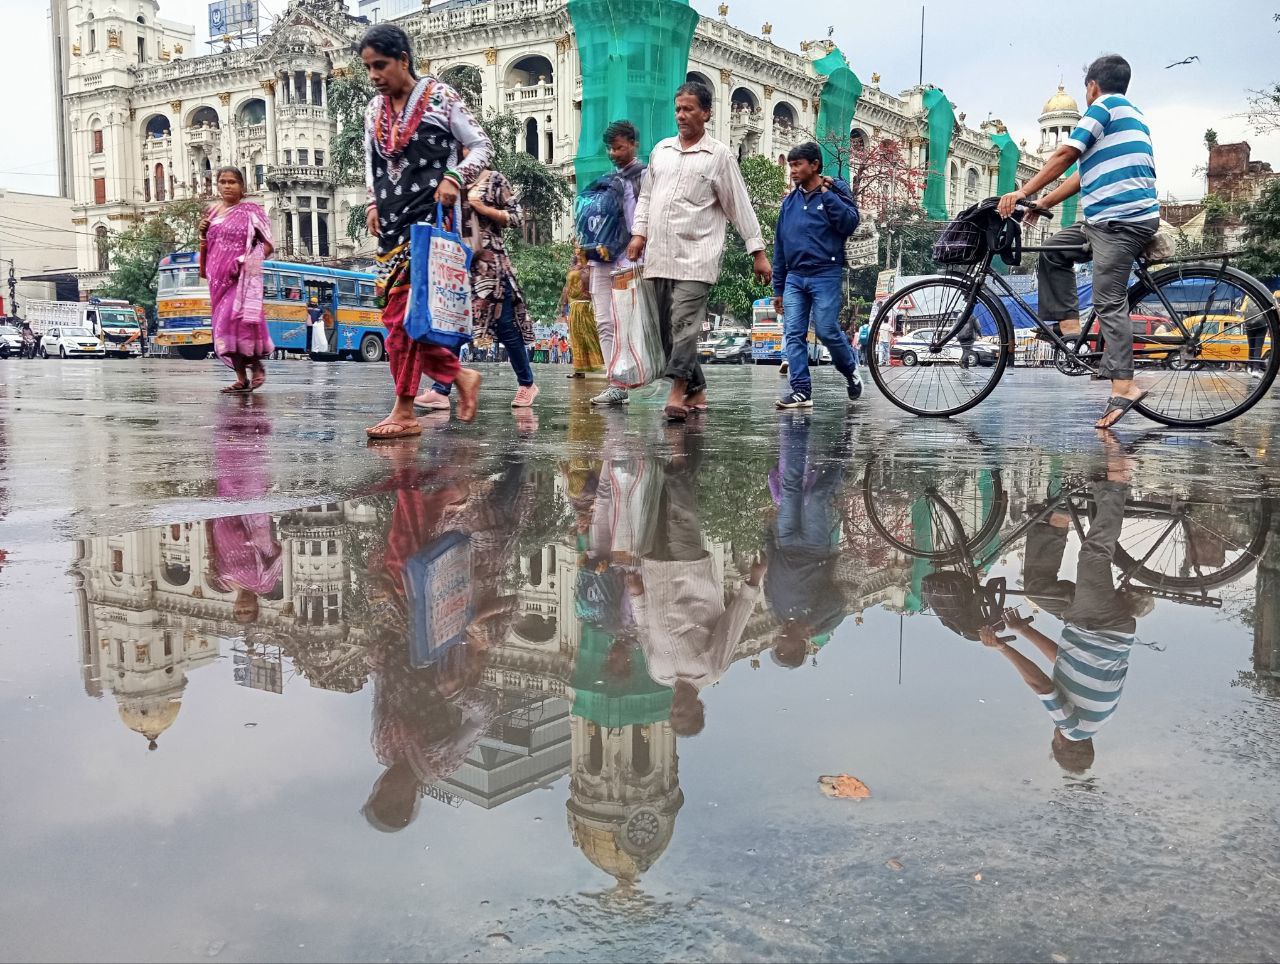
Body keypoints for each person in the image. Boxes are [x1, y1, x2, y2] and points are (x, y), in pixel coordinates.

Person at [998, 55, 1159, 429]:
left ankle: (1124, 386)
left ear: (1091, 86)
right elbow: (1080, 176)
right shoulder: (1128, 113)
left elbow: (1065, 154)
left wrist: (1022, 190)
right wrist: (1041, 204)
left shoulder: (1102, 108)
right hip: (1104, 221)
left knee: (1108, 299)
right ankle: (1071, 329)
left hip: (1121, 223)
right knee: (1055, 249)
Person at [979, 433, 1148, 773]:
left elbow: (1062, 661)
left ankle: (1056, 520)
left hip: (1091, 625)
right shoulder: (1072, 729)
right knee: (1093, 556)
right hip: (1097, 624)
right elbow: (1041, 684)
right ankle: (1116, 484)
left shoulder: (1098, 721)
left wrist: (1023, 630)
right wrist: (1001, 648)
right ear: (1058, 745)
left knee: (1038, 590)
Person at [360, 24, 490, 439]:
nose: (375, 75)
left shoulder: (441, 97)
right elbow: (372, 163)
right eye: (368, 68)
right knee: (398, 320)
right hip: (391, 228)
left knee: (403, 320)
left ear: (403, 60)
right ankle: (459, 377)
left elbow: (483, 146)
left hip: (430, 223)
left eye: (381, 65)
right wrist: (371, 202)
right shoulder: (372, 111)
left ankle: (404, 409)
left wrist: (454, 176)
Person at [627, 82, 771, 422]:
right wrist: (638, 234)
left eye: (689, 109)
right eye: (678, 108)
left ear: (706, 113)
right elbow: (646, 197)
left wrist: (758, 251)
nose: (681, 115)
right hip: (659, 256)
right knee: (664, 329)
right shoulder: (661, 150)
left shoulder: (719, 155)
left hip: (697, 257)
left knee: (684, 323)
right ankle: (697, 389)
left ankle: (676, 392)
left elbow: (739, 204)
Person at [630, 425, 764, 735]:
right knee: (682, 513)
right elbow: (732, 626)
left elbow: (644, 630)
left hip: (655, 572)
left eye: (673, 715)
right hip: (689, 573)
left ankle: (684, 450)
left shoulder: (657, 673)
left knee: (657, 506)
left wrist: (637, 596)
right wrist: (753, 582)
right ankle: (679, 453)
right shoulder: (711, 669)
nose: (676, 708)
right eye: (684, 714)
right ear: (699, 709)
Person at [415, 166, 539, 412]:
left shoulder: (494, 179)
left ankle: (527, 383)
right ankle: (441, 390)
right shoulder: (451, 180)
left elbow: (516, 216)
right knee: (455, 323)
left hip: (491, 265)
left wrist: (482, 208)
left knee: (505, 327)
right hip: (460, 264)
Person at [771, 141, 863, 409]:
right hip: (794, 278)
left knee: (826, 329)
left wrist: (827, 194)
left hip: (826, 273)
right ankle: (801, 391)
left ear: (815, 165)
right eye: (790, 165)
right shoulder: (789, 203)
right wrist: (778, 288)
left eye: (797, 165)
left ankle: (850, 371)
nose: (793, 171)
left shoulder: (834, 191)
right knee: (793, 333)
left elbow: (849, 223)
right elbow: (780, 246)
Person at [763, 414, 852, 667]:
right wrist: (811, 622)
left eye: (776, 645)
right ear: (798, 647)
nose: (779, 641)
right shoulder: (823, 624)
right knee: (814, 497)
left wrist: (768, 537)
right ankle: (842, 454)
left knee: (790, 487)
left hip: (786, 542)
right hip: (815, 549)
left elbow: (774, 577)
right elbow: (838, 600)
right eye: (784, 647)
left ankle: (796, 431)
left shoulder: (778, 614)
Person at [198, 165, 274, 392]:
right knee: (223, 331)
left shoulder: (251, 210)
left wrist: (244, 261)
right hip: (217, 278)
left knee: (233, 323)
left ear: (242, 186)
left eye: (232, 182)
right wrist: (202, 233)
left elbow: (268, 245)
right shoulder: (211, 213)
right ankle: (242, 378)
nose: (227, 186)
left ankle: (256, 365)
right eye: (223, 182)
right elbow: (207, 246)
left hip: (242, 278)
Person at [589, 120, 647, 408]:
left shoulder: (646, 177)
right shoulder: (606, 179)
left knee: (629, 322)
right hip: (600, 258)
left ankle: (637, 376)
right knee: (603, 322)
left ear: (634, 144)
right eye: (610, 148)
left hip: (630, 259)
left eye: (619, 147)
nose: (613, 153)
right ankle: (615, 383)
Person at [562, 249, 605, 378]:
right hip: (573, 306)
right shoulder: (573, 268)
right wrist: (563, 305)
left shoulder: (591, 268)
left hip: (586, 306)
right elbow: (566, 288)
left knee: (591, 334)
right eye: (575, 251)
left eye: (579, 250)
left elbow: (592, 285)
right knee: (576, 337)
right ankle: (578, 370)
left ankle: (603, 364)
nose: (577, 252)